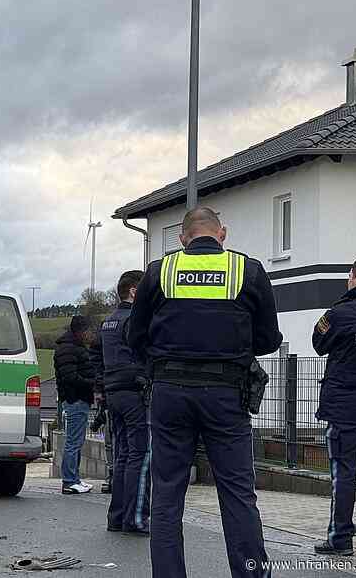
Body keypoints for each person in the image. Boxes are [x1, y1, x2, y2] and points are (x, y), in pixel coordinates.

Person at [128, 207, 282, 578]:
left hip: (169, 393)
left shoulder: (159, 271)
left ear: (182, 239)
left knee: (166, 495)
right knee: (237, 495)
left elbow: (135, 337)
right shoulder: (249, 271)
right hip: (226, 395)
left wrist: (164, 362)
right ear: (222, 233)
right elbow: (269, 339)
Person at [311, 256, 356, 556]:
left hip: (345, 407)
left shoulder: (339, 312)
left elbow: (318, 343)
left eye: (349, 276)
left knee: (344, 473)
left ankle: (340, 539)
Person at [92, 269, 149, 536]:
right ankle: (136, 518)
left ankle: (116, 517)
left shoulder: (109, 322)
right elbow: (145, 352)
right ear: (134, 292)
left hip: (113, 393)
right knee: (140, 454)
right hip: (134, 391)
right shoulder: (132, 320)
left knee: (123, 455)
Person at [55, 314, 97, 494]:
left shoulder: (72, 347)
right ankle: (70, 480)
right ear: (80, 331)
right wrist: (91, 383)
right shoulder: (69, 349)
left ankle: (74, 479)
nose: (90, 335)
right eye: (88, 331)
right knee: (73, 442)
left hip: (77, 399)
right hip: (75, 399)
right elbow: (70, 377)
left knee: (76, 441)